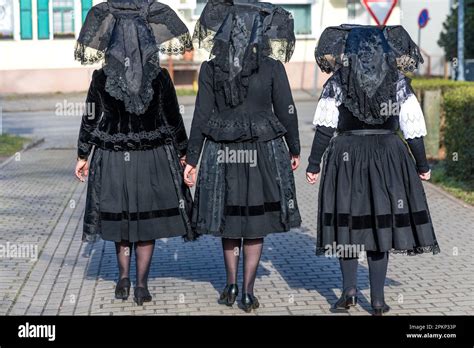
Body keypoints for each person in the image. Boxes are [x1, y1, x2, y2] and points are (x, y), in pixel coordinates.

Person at [306, 25, 440, 316]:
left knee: (348, 222)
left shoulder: (338, 80)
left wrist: (313, 164)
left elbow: (324, 128)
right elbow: (412, 129)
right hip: (388, 155)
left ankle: (349, 293)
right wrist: (422, 165)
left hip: (346, 156)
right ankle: (377, 301)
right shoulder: (398, 82)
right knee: (379, 224)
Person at [74, 0, 194, 305]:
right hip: (152, 158)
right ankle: (141, 284)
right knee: (145, 222)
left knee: (122, 220)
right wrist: (184, 153)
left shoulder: (101, 78)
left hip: (113, 157)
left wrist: (82, 154)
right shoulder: (160, 76)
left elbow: (90, 117)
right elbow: (173, 118)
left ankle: (123, 279)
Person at [184, 0, 301, 312]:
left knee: (229, 220)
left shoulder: (210, 68)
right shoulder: (273, 67)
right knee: (255, 221)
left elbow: (200, 116)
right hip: (263, 150)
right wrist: (295, 147)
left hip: (221, 153)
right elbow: (287, 109)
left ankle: (231, 283)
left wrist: (192, 159)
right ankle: (248, 291)